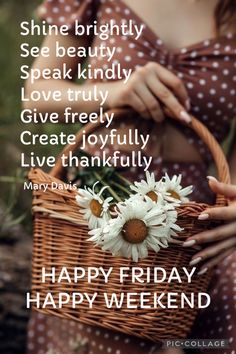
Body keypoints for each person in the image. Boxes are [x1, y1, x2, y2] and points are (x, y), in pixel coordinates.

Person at [25, 0, 236, 353]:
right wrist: (115, 94)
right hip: (101, 200)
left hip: (194, 220)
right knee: (110, 325)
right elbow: (36, 97)